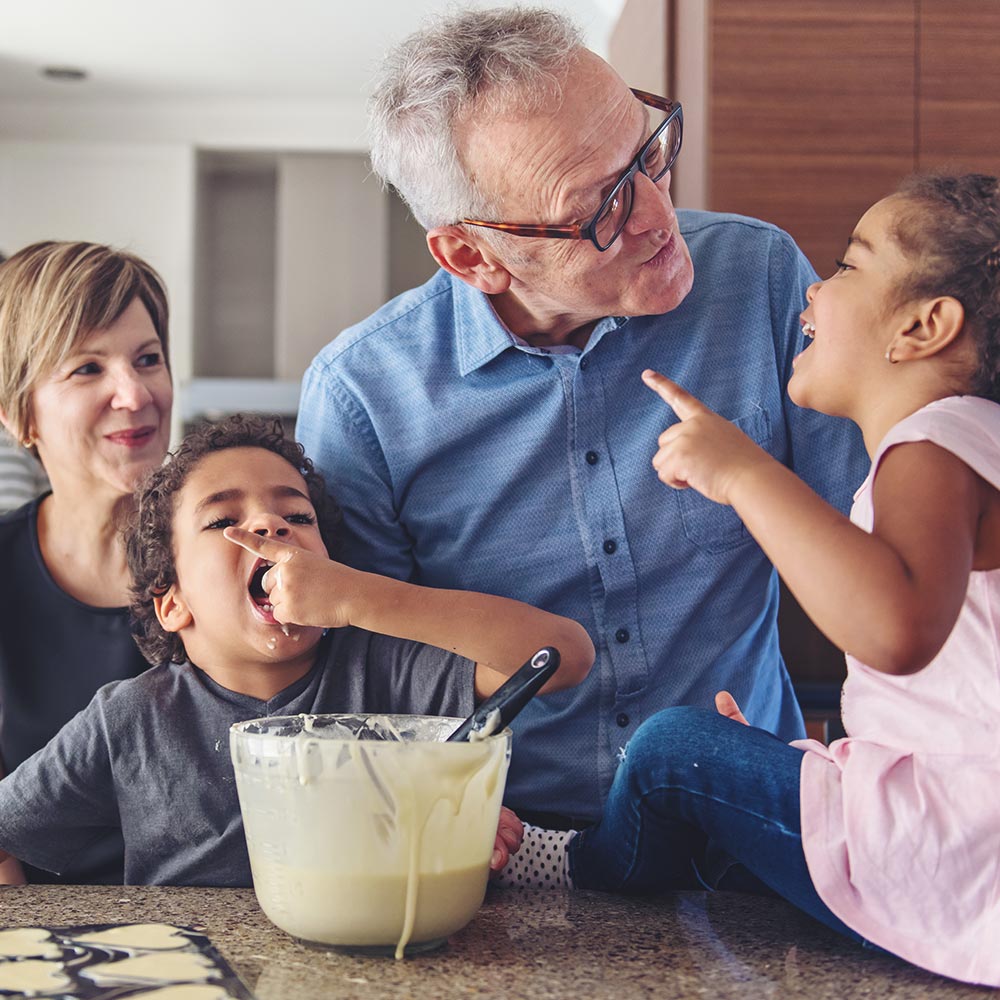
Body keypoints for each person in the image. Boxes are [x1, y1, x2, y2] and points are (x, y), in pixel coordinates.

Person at [296, 6, 867, 826]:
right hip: (504, 850)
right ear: (473, 255)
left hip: (753, 815)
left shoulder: (760, 277)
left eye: (648, 154)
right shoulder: (362, 399)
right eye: (597, 209)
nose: (657, 216)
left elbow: (873, 546)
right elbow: (374, 670)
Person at [499, 174, 1000, 987]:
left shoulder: (933, 447)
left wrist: (743, 474)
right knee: (735, 774)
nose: (813, 287)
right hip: (955, 834)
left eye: (847, 265)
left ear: (922, 325)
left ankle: (573, 866)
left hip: (947, 847)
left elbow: (897, 629)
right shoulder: (971, 445)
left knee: (672, 749)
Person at [0, 414, 593, 886]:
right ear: (173, 603)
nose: (269, 524)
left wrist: (363, 599)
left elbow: (565, 655)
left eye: (296, 514)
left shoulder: (386, 670)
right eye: (222, 520)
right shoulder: (128, 720)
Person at [0, 240, 173, 883]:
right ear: (20, 413)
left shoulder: (229, 556)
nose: (134, 394)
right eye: (87, 369)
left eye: (148, 359)